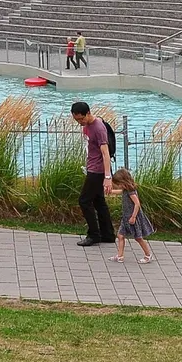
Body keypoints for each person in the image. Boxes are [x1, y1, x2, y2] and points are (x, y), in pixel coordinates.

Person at [71, 101, 115, 247]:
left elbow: (105, 152)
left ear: (88, 113)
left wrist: (108, 177)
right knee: (98, 201)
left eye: (81, 119)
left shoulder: (98, 127)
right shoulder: (88, 126)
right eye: (76, 120)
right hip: (92, 167)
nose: (80, 122)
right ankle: (108, 235)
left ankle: (94, 234)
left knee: (84, 201)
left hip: (98, 170)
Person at [108, 168, 154, 264]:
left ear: (124, 181)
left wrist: (133, 217)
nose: (119, 186)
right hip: (126, 218)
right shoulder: (125, 190)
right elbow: (120, 192)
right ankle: (120, 256)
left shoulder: (131, 191)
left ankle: (148, 255)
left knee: (138, 237)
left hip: (132, 218)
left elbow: (137, 204)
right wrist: (110, 192)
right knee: (120, 235)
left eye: (119, 184)